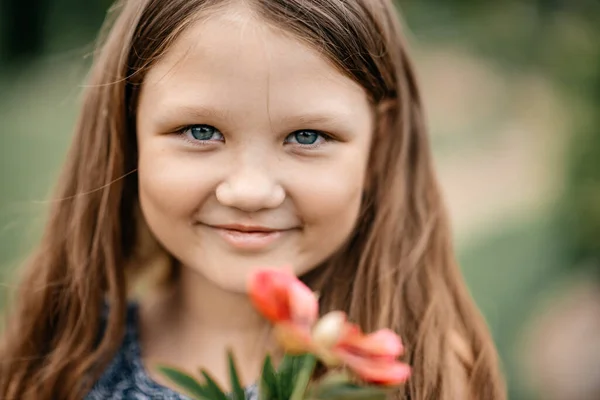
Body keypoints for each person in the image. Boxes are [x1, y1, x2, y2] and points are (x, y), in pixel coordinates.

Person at [0, 0, 506, 399]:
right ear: (127, 130)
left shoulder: (425, 381)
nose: (250, 191)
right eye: (200, 130)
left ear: (380, 143)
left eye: (307, 136)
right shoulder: (55, 361)